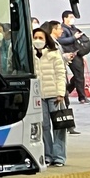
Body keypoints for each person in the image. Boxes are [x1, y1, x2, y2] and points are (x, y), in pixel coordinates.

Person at [32, 27, 68, 167]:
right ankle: (48, 155)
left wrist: (60, 92)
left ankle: (59, 156)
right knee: (44, 126)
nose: (38, 40)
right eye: (35, 38)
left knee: (59, 126)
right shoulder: (31, 56)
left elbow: (60, 74)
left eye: (41, 38)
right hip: (39, 97)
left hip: (54, 95)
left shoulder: (54, 54)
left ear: (46, 40)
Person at [41, 20, 80, 135]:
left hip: (56, 85)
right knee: (49, 123)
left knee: (59, 120)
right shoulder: (48, 45)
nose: (61, 30)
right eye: (59, 28)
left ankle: (69, 128)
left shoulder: (55, 43)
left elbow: (57, 64)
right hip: (51, 87)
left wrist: (65, 58)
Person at [59, 11, 90, 105]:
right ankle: (82, 97)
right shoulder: (63, 29)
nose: (72, 19)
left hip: (77, 54)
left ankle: (68, 90)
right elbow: (61, 40)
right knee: (79, 76)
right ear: (65, 18)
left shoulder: (74, 28)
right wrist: (74, 37)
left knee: (79, 75)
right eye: (70, 17)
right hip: (69, 54)